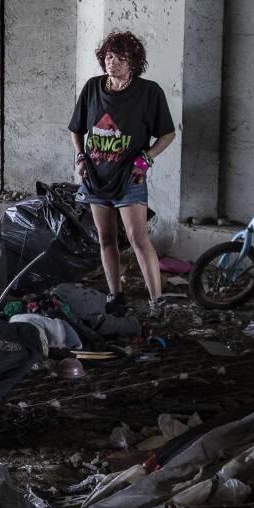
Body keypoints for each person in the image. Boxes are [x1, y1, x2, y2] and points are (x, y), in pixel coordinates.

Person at [68, 31, 176, 317]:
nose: (113, 62)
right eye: (109, 56)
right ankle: (115, 295)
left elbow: (167, 134)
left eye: (121, 58)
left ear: (134, 62)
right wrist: (80, 156)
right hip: (95, 177)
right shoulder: (92, 88)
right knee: (105, 238)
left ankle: (157, 302)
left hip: (129, 177)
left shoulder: (148, 92)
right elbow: (75, 129)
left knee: (138, 238)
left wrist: (146, 159)